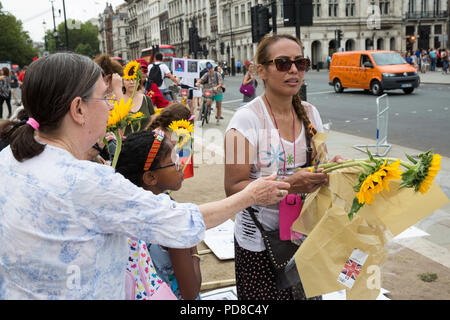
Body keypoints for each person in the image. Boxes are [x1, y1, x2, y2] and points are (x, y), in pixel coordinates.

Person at [0, 52, 290, 299]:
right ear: (78, 109)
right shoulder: (86, 181)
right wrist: (251, 195)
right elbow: (180, 223)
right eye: (106, 98)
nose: (112, 105)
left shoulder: (8, 157)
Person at [224, 34, 344, 300]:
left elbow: (319, 165)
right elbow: (233, 190)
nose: (293, 70)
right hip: (260, 244)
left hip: (304, 235)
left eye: (300, 63)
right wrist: (291, 184)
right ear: (261, 71)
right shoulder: (244, 120)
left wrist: (333, 169)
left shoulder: (311, 113)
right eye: (282, 63)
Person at [116, 130, 201, 300]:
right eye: (174, 162)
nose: (181, 165)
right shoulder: (172, 219)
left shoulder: (125, 210)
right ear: (151, 177)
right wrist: (193, 247)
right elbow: (191, 291)